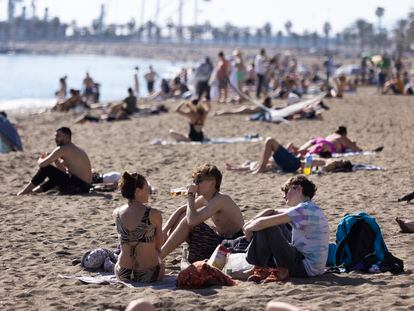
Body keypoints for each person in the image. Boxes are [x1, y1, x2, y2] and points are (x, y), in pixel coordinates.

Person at [243, 176, 329, 280]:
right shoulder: (309, 207)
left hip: (305, 268)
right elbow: (271, 211)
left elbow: (262, 223)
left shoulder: (304, 209)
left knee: (267, 226)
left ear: (297, 188)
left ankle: (259, 268)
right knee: (268, 222)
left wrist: (248, 229)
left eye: (286, 191)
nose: (284, 197)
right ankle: (261, 267)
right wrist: (252, 221)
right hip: (310, 264)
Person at [161, 164, 244, 263]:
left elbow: (191, 221)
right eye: (194, 181)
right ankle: (162, 250)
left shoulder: (220, 200)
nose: (195, 185)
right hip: (219, 239)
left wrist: (191, 196)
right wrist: (164, 230)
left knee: (186, 221)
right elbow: (181, 210)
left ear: (212, 184)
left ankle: (158, 257)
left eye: (199, 181)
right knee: (183, 215)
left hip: (231, 244)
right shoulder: (205, 198)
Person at [114, 172, 164, 283]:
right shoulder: (153, 214)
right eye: (147, 188)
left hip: (123, 272)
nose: (149, 192)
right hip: (149, 274)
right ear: (137, 191)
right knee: (160, 262)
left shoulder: (116, 213)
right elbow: (159, 244)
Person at [17, 127, 92, 195]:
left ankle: (25, 191)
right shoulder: (76, 148)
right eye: (55, 136)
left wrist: (40, 159)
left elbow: (42, 165)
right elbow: (64, 171)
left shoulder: (62, 149)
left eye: (58, 136)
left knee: (46, 168)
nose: (55, 139)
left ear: (67, 137)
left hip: (77, 187)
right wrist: (56, 160)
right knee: (55, 175)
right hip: (85, 187)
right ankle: (35, 191)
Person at [225, 137, 352, 174]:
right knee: (269, 162)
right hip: (295, 164)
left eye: (341, 160)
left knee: (270, 141)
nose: (339, 159)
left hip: (295, 164)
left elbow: (314, 169)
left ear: (340, 164)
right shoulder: (328, 161)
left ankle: (260, 168)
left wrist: (306, 163)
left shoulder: (332, 163)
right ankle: (237, 168)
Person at [291, 126, 362, 157]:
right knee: (314, 151)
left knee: (309, 150)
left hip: (320, 140)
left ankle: (298, 150)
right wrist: (355, 146)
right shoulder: (343, 138)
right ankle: (298, 152)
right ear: (344, 134)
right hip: (329, 146)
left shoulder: (332, 135)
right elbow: (356, 149)